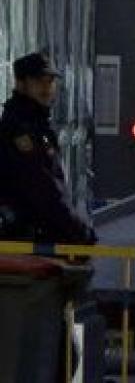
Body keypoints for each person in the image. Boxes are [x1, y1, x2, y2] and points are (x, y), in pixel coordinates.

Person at [0, 52, 96, 245]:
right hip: (27, 238)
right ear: (21, 84)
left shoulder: (36, 124)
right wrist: (76, 232)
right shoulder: (19, 128)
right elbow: (41, 186)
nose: (47, 88)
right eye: (39, 81)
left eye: (50, 81)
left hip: (37, 235)